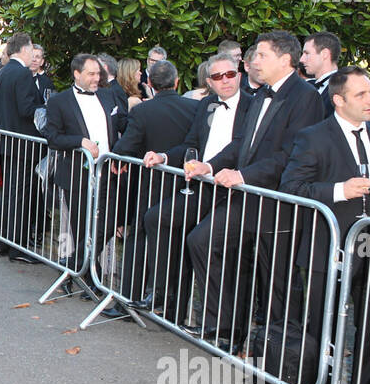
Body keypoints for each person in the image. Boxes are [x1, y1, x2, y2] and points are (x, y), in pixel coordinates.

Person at [279, 68, 370, 384]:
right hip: (331, 247)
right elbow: (291, 187)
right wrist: (340, 190)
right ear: (339, 101)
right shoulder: (312, 137)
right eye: (362, 95)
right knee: (326, 325)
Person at [183, 31, 324, 347]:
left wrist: (244, 175)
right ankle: (224, 329)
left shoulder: (306, 97)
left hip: (277, 203)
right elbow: (240, 143)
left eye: (261, 55)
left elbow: (292, 153)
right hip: (248, 198)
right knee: (203, 241)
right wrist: (211, 165)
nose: (253, 61)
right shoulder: (260, 94)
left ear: (284, 59)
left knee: (276, 280)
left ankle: (281, 352)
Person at [137, 53, 252, 318]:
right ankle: (162, 293)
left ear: (239, 75)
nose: (225, 81)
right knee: (156, 217)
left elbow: (241, 146)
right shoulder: (206, 105)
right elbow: (191, 144)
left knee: (200, 240)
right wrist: (163, 156)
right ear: (209, 82)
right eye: (217, 77)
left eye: (230, 74)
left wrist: (209, 166)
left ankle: (215, 318)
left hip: (235, 190)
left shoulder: (253, 105)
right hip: (202, 185)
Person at [109, 59, 195, 315]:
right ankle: (175, 311)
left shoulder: (143, 111)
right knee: (179, 244)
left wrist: (119, 157)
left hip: (152, 185)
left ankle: (128, 299)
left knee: (139, 240)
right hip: (185, 186)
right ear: (177, 82)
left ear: (148, 84)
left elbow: (127, 147)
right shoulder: (195, 108)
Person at [42, 54, 125, 274]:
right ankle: (88, 275)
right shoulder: (60, 101)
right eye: (91, 74)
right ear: (77, 74)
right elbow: (53, 137)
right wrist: (79, 141)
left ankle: (75, 262)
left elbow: (124, 124)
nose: (97, 78)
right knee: (82, 227)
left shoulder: (109, 96)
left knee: (109, 222)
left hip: (108, 170)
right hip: (76, 173)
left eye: (99, 73)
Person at [0, 33, 44, 263]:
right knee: (18, 195)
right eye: (32, 48)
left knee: (9, 194)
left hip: (8, 142)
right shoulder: (22, 73)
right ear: (24, 49)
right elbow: (26, 109)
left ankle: (3, 243)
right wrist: (46, 108)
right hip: (21, 142)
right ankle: (16, 247)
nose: (33, 53)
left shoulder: (3, 71)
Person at [300, 31, 340, 116]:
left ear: (324, 54)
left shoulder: (343, 87)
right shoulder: (305, 86)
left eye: (307, 53)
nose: (302, 59)